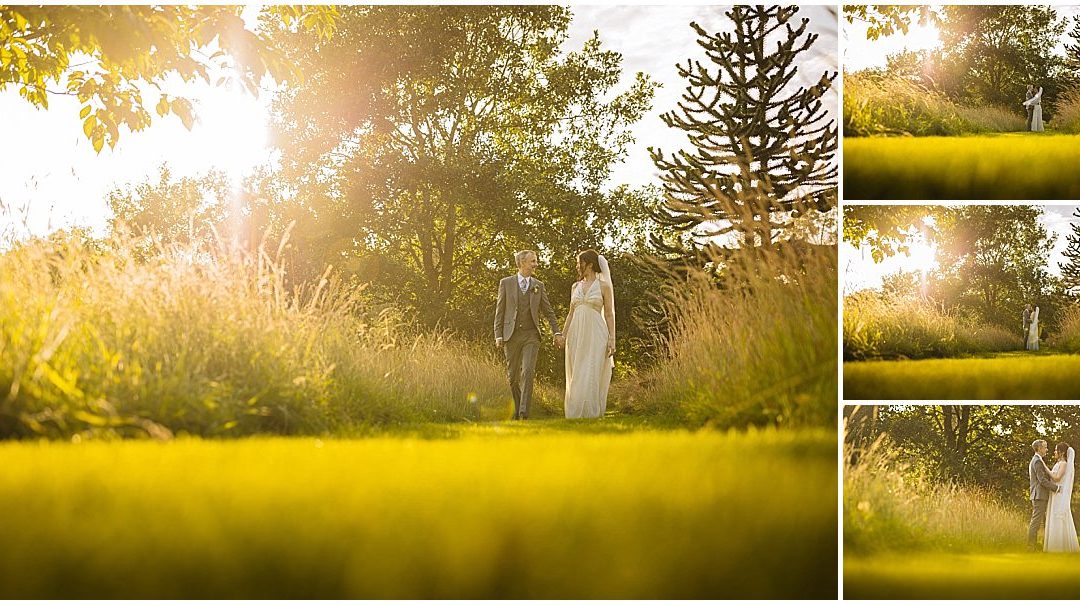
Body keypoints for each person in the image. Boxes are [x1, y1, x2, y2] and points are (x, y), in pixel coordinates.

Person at [493, 250, 562, 420]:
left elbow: (548, 311)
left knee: (528, 371)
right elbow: (499, 311)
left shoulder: (539, 285)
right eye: (533, 261)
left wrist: (557, 331)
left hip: (531, 335)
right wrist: (498, 334)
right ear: (522, 263)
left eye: (535, 261)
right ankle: (517, 409)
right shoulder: (506, 283)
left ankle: (524, 413)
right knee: (513, 377)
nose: (536, 264)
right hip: (511, 335)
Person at [560, 249, 615, 419]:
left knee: (591, 368)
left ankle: (592, 412)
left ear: (590, 264)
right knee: (577, 370)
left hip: (596, 332)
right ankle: (575, 411)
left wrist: (612, 339)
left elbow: (609, 314)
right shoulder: (575, 287)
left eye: (580, 262)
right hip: (576, 332)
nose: (578, 266)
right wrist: (563, 335)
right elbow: (570, 313)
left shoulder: (604, 286)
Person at [1043, 442, 1079, 552]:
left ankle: (1060, 546)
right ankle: (1055, 545)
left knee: (1058, 517)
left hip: (1059, 495)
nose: (1054, 452)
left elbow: (1057, 478)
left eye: (1056, 450)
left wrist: (1045, 468)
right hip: (1055, 495)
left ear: (1062, 452)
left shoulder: (1063, 463)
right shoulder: (1059, 463)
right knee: (1054, 517)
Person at [1029, 439, 1062, 550]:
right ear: (1039, 448)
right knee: (1036, 522)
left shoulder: (1037, 460)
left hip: (1039, 495)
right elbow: (1042, 480)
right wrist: (1056, 488)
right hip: (1039, 496)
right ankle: (1031, 546)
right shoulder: (1037, 461)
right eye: (1045, 447)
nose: (1047, 449)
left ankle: (1039, 545)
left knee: (1040, 522)